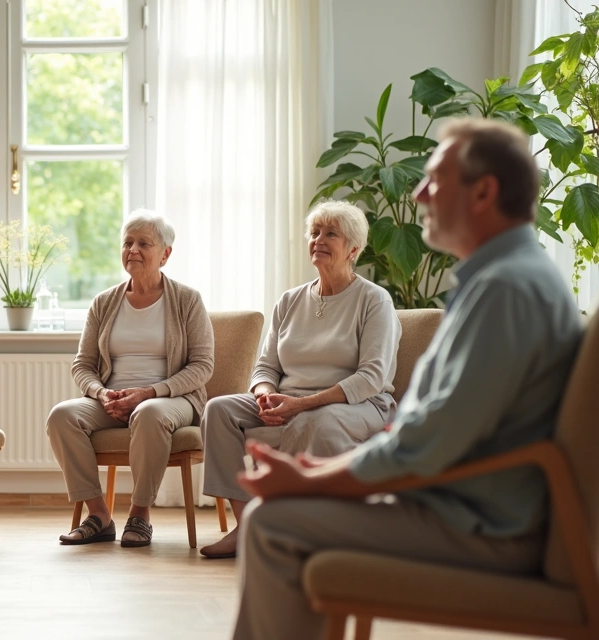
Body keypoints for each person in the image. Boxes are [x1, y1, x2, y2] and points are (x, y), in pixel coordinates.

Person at [231, 118, 585, 640]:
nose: (418, 191)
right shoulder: (506, 277)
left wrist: (311, 479)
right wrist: (324, 474)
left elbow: (427, 442)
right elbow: (424, 428)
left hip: (477, 522)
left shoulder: (506, 289)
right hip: (463, 503)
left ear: (484, 191)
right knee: (281, 511)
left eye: (435, 178)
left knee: (270, 523)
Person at [199, 200, 401, 559]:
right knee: (218, 409)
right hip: (289, 398)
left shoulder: (374, 300)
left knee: (314, 420)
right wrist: (266, 395)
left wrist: (301, 404)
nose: (319, 240)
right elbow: (265, 367)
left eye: (331, 234)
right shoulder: (290, 300)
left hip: (360, 404)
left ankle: (294, 525)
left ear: (353, 249)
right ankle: (248, 525)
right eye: (315, 232)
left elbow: (372, 377)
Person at [47, 210, 214, 547]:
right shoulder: (104, 302)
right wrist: (100, 393)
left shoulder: (187, 300)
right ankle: (99, 516)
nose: (133, 250)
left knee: (149, 412)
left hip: (171, 400)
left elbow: (202, 365)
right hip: (112, 398)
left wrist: (151, 392)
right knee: (62, 416)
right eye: (127, 243)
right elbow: (82, 364)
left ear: (165, 254)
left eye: (143, 243)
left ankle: (140, 515)